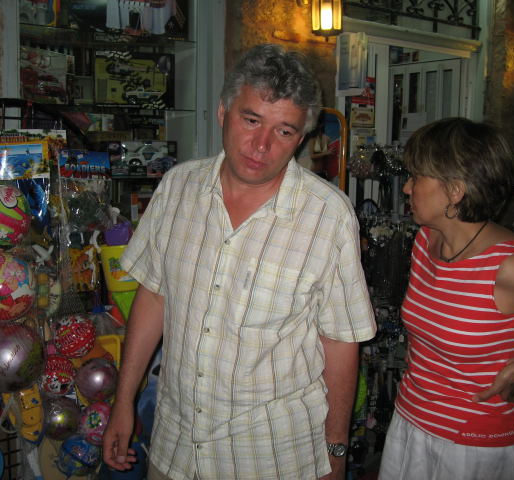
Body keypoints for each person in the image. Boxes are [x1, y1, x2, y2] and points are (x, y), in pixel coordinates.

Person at [102, 43, 377, 480]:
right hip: (175, 448)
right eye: (251, 120)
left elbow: (341, 341)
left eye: (284, 131)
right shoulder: (176, 188)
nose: (261, 145)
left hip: (271, 457)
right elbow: (154, 295)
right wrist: (124, 400)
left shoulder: (328, 217)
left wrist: (335, 450)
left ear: (300, 138)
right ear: (222, 111)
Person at [378, 117, 514, 480]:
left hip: (471, 441)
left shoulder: (509, 268)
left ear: (455, 191)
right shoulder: (425, 241)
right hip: (410, 419)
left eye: (417, 177)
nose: (407, 188)